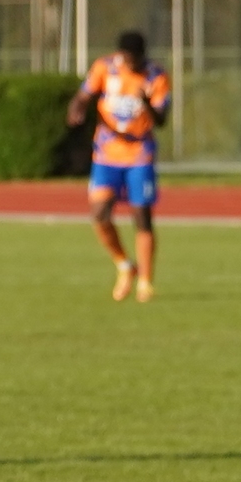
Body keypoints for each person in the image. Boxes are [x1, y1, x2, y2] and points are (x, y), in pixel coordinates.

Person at [67, 31, 171, 303]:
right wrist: (77, 108)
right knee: (99, 213)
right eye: (126, 58)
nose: (129, 63)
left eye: (133, 59)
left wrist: (146, 102)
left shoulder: (156, 77)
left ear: (142, 56)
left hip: (139, 154)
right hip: (106, 154)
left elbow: (161, 120)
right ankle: (125, 265)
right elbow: (84, 95)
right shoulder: (104, 68)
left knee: (141, 216)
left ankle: (146, 282)